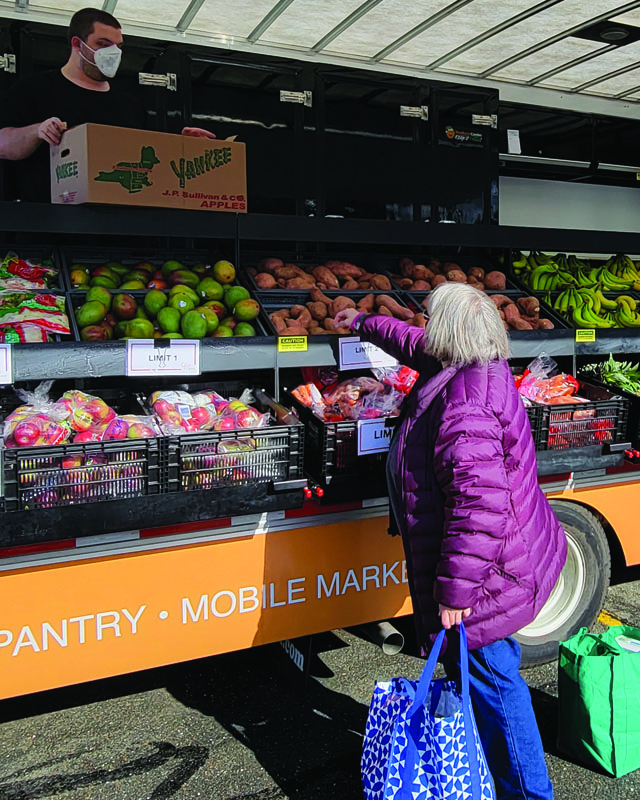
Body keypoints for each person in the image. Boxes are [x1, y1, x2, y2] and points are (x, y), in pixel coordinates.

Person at [335, 282, 567, 800]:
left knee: (495, 681)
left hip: (485, 573)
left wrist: (454, 595)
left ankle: (530, 793)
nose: (424, 328)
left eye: (431, 319)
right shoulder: (475, 362)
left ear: (449, 333)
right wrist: (362, 323)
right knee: (485, 674)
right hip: (502, 559)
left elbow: (478, 510)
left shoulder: (467, 412)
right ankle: (491, 769)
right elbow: (415, 342)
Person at [0, 7, 214, 202]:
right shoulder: (34, 88)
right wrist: (38, 131)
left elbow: (149, 163)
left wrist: (183, 145)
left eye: (118, 46)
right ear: (77, 44)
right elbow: (3, 144)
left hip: (116, 226)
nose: (112, 53)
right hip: (51, 227)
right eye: (102, 44)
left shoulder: (129, 104)